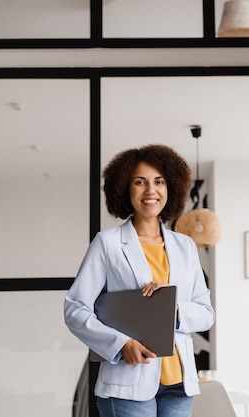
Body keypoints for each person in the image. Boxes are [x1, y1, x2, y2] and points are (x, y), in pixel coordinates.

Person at [64, 143, 215, 417]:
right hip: (127, 381)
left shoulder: (185, 246)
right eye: (140, 182)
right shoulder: (107, 244)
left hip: (178, 383)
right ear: (125, 188)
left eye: (159, 182)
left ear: (171, 188)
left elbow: (206, 314)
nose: (150, 191)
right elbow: (75, 309)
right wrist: (121, 344)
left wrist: (175, 307)